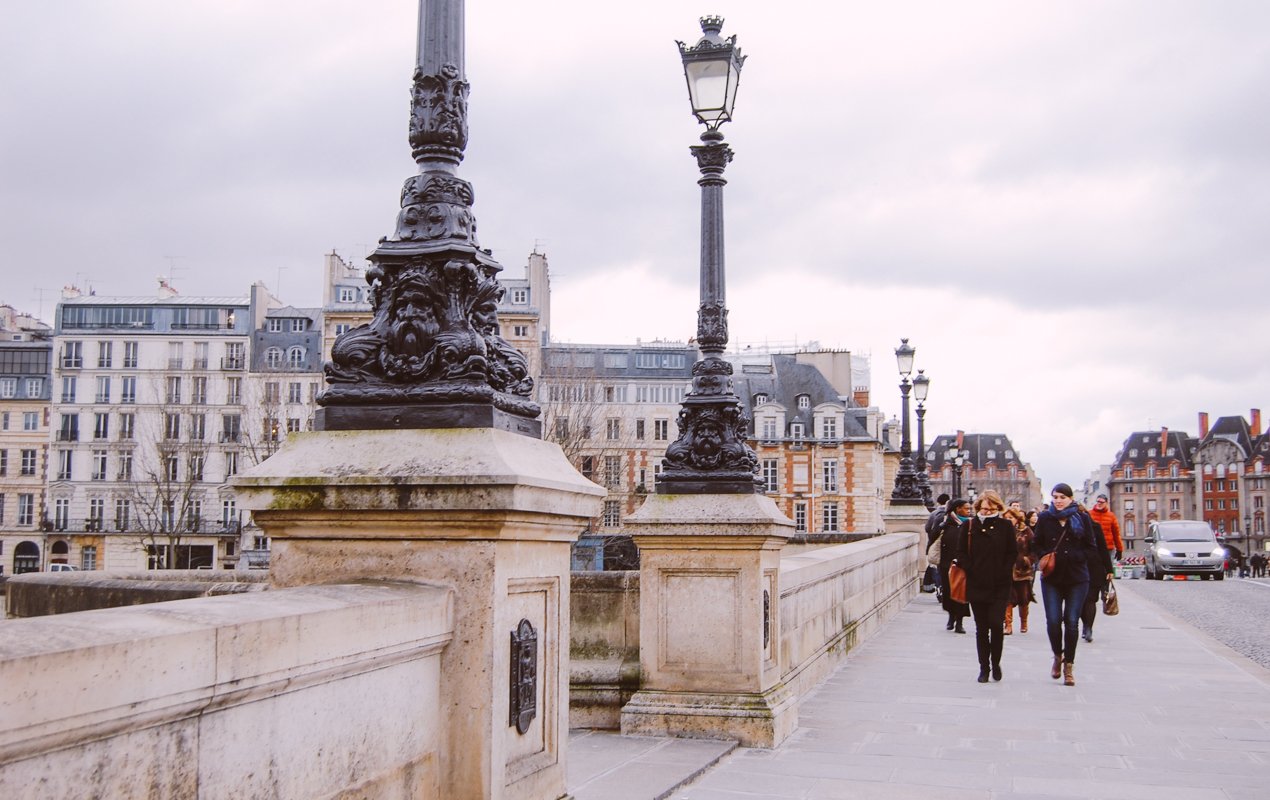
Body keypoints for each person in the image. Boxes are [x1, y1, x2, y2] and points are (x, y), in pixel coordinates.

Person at [1034, 483, 1114, 687]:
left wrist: (1076, 556)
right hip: (1052, 576)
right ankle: (1057, 656)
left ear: (1070, 498)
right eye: (1055, 497)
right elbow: (1037, 544)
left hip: (1077, 576)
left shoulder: (1082, 518)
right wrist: (1045, 556)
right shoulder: (1045, 518)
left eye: (1062, 497)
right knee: (1053, 620)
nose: (1058, 500)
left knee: (1071, 621)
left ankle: (1069, 665)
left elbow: (1091, 546)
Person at [953, 490, 1017, 682]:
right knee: (981, 628)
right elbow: (961, 552)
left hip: (999, 584)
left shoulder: (1005, 526)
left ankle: (996, 663)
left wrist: (1004, 572)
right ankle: (984, 668)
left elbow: (1012, 553)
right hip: (976, 583)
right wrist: (971, 568)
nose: (987, 512)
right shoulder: (969, 526)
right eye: (983, 508)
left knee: (997, 625)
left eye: (991, 509)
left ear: (998, 507)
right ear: (977, 508)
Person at [1081, 494, 1122, 642]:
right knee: (1082, 601)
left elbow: (1116, 533)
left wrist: (1119, 549)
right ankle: (1085, 626)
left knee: (1091, 598)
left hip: (1102, 555)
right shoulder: (1090, 516)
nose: (1099, 504)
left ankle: (1088, 628)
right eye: (1097, 501)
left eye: (1101, 502)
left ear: (1106, 503)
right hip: (1081, 564)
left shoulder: (1110, 517)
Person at [938, 498, 972, 634]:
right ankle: (951, 617)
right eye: (966, 508)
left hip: (963, 565)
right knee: (948, 592)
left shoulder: (970, 525)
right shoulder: (946, 523)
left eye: (969, 509)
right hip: (947, 564)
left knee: (962, 593)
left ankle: (959, 621)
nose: (969, 511)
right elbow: (933, 536)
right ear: (957, 509)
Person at [1002, 506, 1035, 635]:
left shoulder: (1026, 531)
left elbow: (1034, 549)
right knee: (1007, 598)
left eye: (1010, 518)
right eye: (1006, 518)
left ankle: (1024, 622)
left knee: (1023, 598)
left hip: (1022, 570)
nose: (1008, 520)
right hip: (1006, 569)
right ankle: (1008, 624)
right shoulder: (1002, 531)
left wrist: (1028, 560)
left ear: (1017, 518)